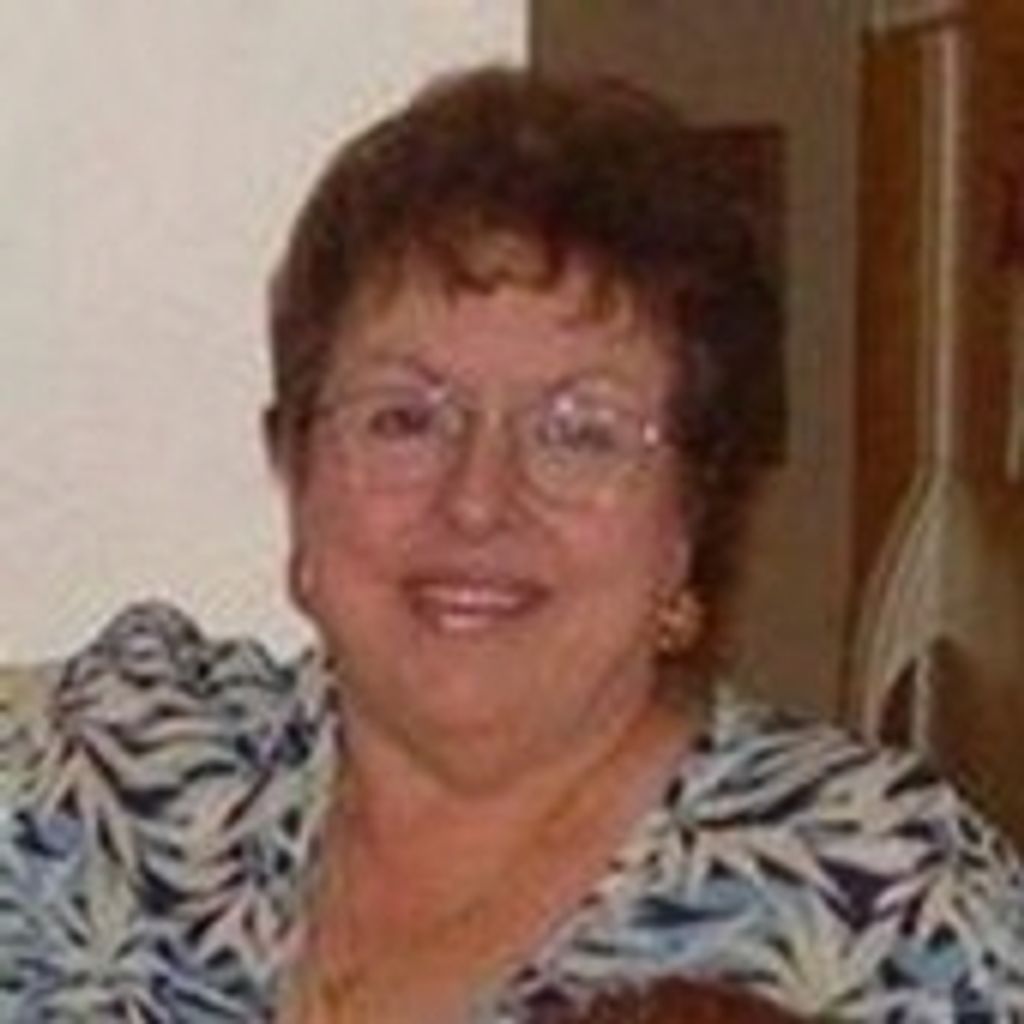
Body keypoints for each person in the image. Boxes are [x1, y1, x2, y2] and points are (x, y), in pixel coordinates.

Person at [1, 66, 1022, 1024]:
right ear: (295, 467)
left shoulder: (887, 902)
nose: (478, 501)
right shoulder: (119, 781)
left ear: (688, 516)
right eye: (406, 417)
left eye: (580, 431)